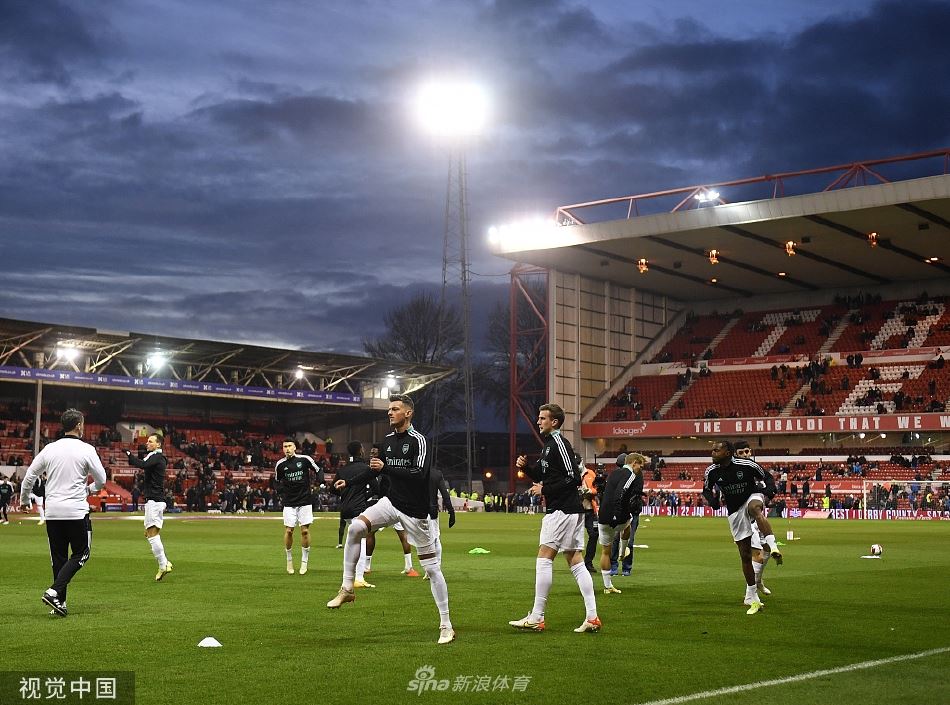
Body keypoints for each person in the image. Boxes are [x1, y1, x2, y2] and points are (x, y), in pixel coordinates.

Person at [326, 394, 455, 645]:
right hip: (391, 502)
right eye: (389, 409)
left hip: (415, 512)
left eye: (395, 409)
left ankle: (446, 625)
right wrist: (349, 482)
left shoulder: (420, 441)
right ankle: (348, 588)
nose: (389, 413)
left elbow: (418, 474)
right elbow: (373, 469)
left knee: (432, 569)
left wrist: (385, 468)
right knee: (355, 528)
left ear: (408, 413)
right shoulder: (386, 441)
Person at [509, 403, 601, 633]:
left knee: (544, 558)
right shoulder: (549, 445)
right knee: (575, 561)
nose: (538, 422)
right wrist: (527, 468)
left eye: (542, 418)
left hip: (561, 510)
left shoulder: (559, 443)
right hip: (569, 510)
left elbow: (573, 478)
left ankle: (537, 616)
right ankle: (592, 617)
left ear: (555, 422)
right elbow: (542, 473)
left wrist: (545, 490)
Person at [19, 409, 106, 616]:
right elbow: (101, 480)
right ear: (78, 425)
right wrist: (88, 490)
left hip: (53, 513)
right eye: (82, 424)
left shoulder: (49, 449)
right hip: (76, 512)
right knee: (81, 553)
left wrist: (24, 500)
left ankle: (60, 603)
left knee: (58, 558)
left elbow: (30, 475)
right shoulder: (86, 449)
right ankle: (54, 591)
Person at [702, 439, 781, 615]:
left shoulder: (746, 464)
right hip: (734, 510)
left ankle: (773, 545)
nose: (712, 453)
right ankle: (751, 593)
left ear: (728, 452)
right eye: (712, 450)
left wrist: (768, 492)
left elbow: (767, 477)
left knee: (755, 509)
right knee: (745, 555)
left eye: (716, 450)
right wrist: (713, 501)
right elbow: (706, 489)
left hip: (751, 496)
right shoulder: (711, 471)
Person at [125, 433, 173, 581]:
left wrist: (128, 454)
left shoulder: (156, 457)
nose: (147, 443)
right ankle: (165, 562)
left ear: (158, 444)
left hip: (154, 500)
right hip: (156, 500)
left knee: (152, 534)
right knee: (149, 533)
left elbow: (142, 464)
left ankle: (163, 564)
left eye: (150, 441)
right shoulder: (156, 457)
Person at [332, 441, 380, 588]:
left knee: (351, 541)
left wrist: (345, 494)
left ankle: (348, 576)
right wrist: (364, 496)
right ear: (360, 451)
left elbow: (333, 489)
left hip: (345, 509)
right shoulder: (365, 468)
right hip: (358, 507)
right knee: (362, 541)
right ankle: (359, 578)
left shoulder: (342, 470)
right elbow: (376, 488)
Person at [598, 453, 646, 593]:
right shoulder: (630, 475)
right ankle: (622, 551)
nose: (640, 469)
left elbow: (608, 492)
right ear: (634, 463)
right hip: (615, 516)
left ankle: (607, 586)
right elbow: (620, 493)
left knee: (605, 551)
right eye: (640, 466)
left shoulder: (613, 473)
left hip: (602, 515)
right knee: (628, 523)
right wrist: (616, 514)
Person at [275, 438, 323, 575]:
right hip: (289, 502)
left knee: (304, 531)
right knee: (289, 531)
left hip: (305, 501)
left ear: (295, 447)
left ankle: (304, 562)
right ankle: (289, 560)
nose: (287, 449)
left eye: (289, 446)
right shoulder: (280, 464)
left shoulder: (304, 459)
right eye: (284, 446)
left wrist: (320, 481)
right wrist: (280, 491)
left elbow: (318, 469)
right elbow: (277, 481)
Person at [734, 440, 773, 597]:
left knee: (767, 550)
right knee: (757, 555)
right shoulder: (734, 472)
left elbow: (769, 483)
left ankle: (758, 581)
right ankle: (750, 593)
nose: (746, 455)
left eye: (747, 451)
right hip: (745, 521)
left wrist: (768, 491)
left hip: (759, 519)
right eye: (741, 452)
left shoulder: (757, 469)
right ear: (735, 455)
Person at [423, 466, 456, 580]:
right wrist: (451, 511)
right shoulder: (436, 474)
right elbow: (444, 494)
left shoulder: (414, 470)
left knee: (424, 541)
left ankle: (428, 570)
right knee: (435, 539)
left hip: (417, 510)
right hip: (432, 510)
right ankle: (436, 568)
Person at [579, 455, 599, 572]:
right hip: (576, 510)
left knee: (594, 534)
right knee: (573, 538)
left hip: (590, 510)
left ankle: (588, 562)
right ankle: (576, 563)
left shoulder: (591, 473)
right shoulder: (571, 474)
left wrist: (589, 491)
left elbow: (597, 489)